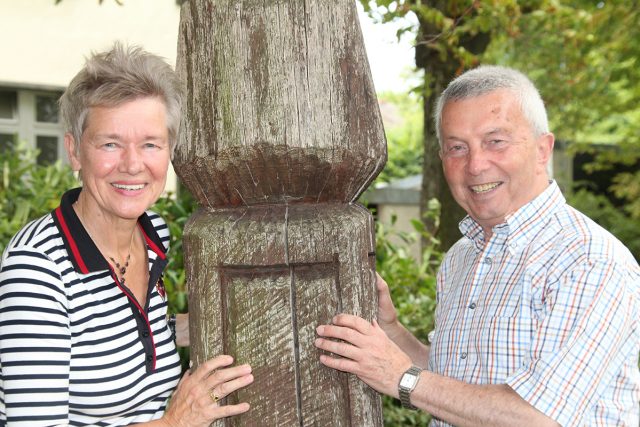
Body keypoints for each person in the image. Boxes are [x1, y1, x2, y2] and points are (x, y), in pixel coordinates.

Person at [314, 65, 640, 426]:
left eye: (495, 141)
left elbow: (539, 418)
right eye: (457, 148)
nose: (475, 165)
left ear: (542, 149)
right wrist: (391, 331)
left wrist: (402, 379)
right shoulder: (462, 257)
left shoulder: (589, 260)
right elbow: (453, 385)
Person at [0, 43, 253, 426]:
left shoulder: (154, 236)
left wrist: (192, 325)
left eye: (151, 144)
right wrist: (175, 423)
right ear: (74, 152)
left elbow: (109, 333)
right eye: (110, 144)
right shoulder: (37, 269)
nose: (133, 165)